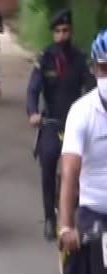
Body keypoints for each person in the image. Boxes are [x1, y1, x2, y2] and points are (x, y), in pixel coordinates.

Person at [26, 9, 96, 240]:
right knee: (48, 161)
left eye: (66, 30)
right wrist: (33, 111)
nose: (62, 35)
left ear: (71, 32)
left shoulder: (80, 58)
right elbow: (33, 88)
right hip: (51, 122)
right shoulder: (45, 57)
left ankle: (84, 210)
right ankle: (49, 217)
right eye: (58, 31)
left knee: (86, 166)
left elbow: (91, 87)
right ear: (53, 33)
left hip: (77, 123)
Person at [58, 29, 107, 274]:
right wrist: (66, 228)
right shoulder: (81, 112)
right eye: (105, 68)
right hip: (92, 214)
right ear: (95, 70)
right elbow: (69, 173)